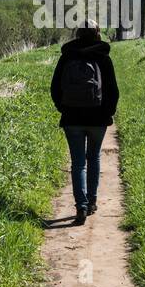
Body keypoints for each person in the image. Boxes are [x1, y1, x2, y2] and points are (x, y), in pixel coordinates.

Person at [49, 20, 119, 224]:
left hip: (72, 118)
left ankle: (80, 206)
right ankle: (92, 202)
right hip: (98, 119)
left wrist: (63, 108)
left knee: (78, 162)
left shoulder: (67, 56)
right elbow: (113, 91)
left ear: (78, 34)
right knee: (94, 158)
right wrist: (108, 113)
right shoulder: (103, 58)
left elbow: (55, 88)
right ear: (97, 34)